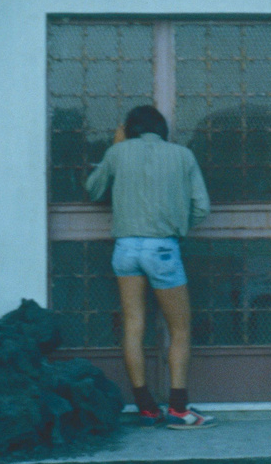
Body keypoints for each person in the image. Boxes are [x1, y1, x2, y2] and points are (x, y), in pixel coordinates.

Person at [85, 104, 213, 429]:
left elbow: (93, 188)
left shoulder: (118, 153)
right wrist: (177, 227)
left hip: (125, 248)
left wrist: (114, 147)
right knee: (180, 329)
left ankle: (146, 408)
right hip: (163, 248)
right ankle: (179, 411)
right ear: (161, 129)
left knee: (133, 325)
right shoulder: (183, 156)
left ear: (129, 129)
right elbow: (202, 206)